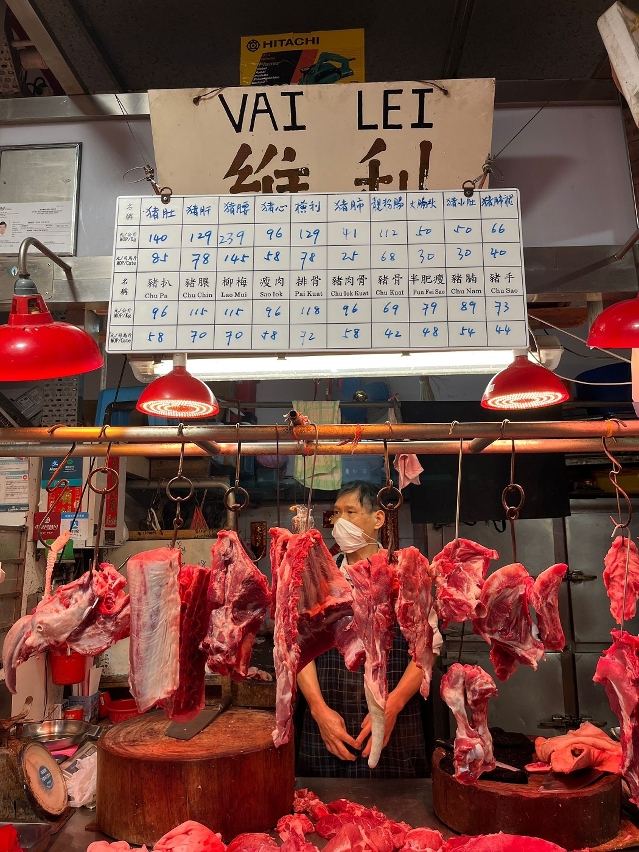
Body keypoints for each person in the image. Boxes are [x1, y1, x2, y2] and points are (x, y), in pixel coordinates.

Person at [296, 480, 438, 778]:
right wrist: (318, 709)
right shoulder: (320, 575)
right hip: (329, 723)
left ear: (378, 518)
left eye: (351, 512)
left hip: (395, 726)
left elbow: (427, 648)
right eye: (337, 513)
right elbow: (298, 647)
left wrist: (393, 705)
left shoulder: (405, 571)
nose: (340, 521)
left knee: (399, 806)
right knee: (318, 805)